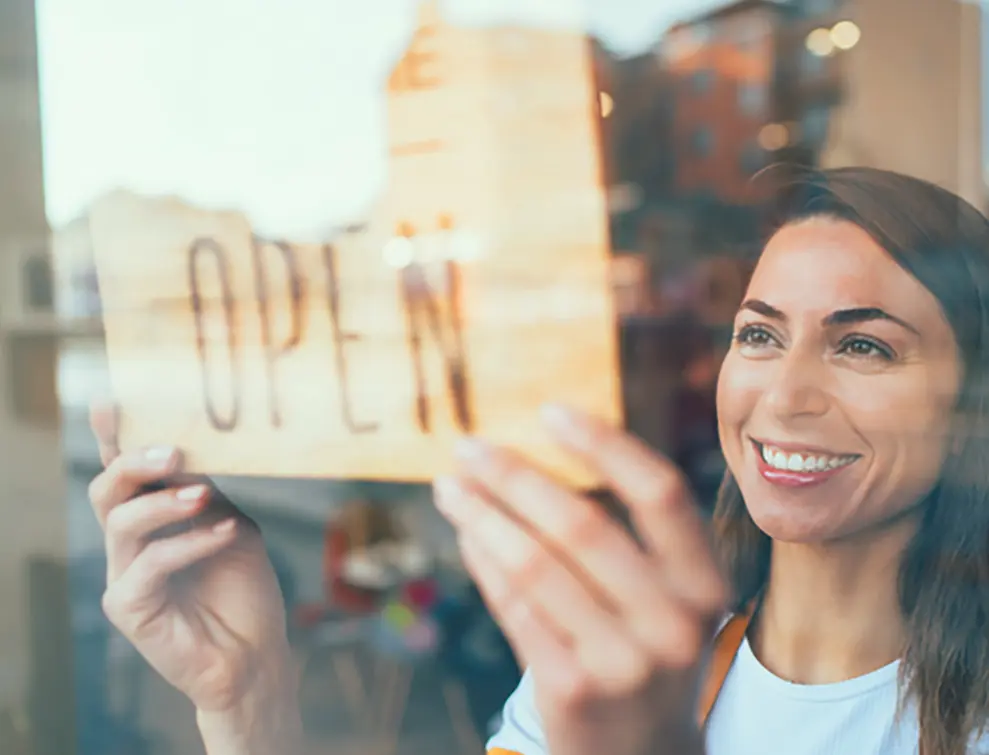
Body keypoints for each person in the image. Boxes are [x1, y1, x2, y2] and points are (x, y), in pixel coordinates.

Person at [86, 167, 989, 755]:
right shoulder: (608, 669)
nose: (783, 396)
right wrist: (249, 701)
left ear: (967, 409)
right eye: (758, 334)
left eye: (863, 347)